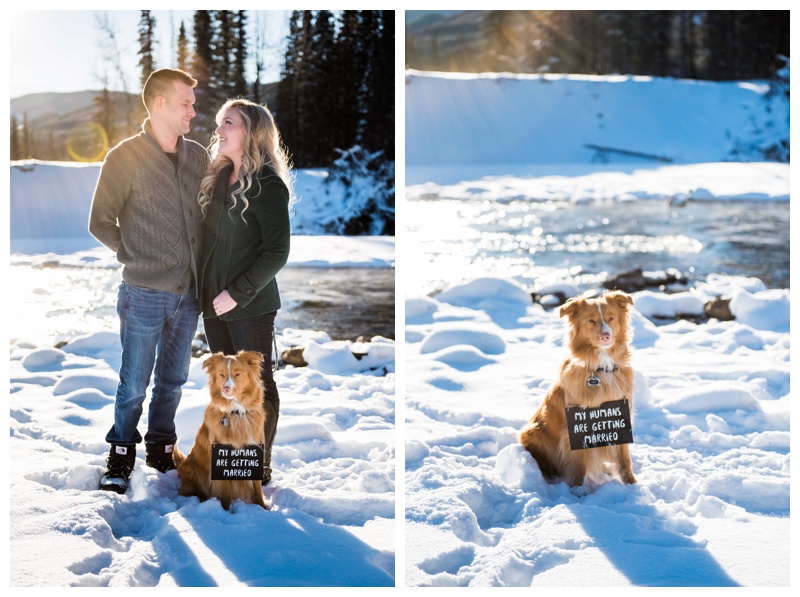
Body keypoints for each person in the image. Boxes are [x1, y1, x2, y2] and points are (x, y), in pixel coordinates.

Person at [88, 68, 210, 494]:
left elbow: (211, 212)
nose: (193, 110)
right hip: (142, 292)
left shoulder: (197, 156)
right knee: (134, 381)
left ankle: (161, 447)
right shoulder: (123, 157)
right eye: (185, 102)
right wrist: (134, 254)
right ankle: (121, 452)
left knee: (173, 380)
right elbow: (99, 221)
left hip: (189, 294)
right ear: (159, 104)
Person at [197, 98, 292, 485]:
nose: (218, 129)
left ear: (251, 132)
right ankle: (232, 462)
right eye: (219, 123)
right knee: (226, 387)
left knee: (256, 386)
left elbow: (277, 251)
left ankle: (258, 466)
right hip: (212, 305)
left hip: (249, 305)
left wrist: (237, 293)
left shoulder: (267, 184)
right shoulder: (218, 177)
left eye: (229, 123)